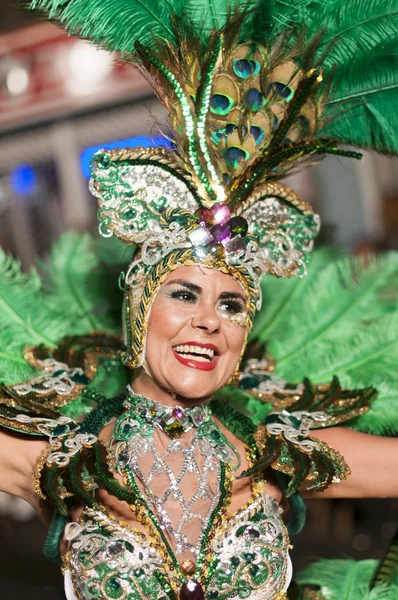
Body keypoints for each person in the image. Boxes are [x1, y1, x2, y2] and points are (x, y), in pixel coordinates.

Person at [1, 0, 398, 598]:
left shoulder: (277, 456)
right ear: (140, 310)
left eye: (232, 305)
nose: (209, 321)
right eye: (185, 294)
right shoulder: (61, 460)